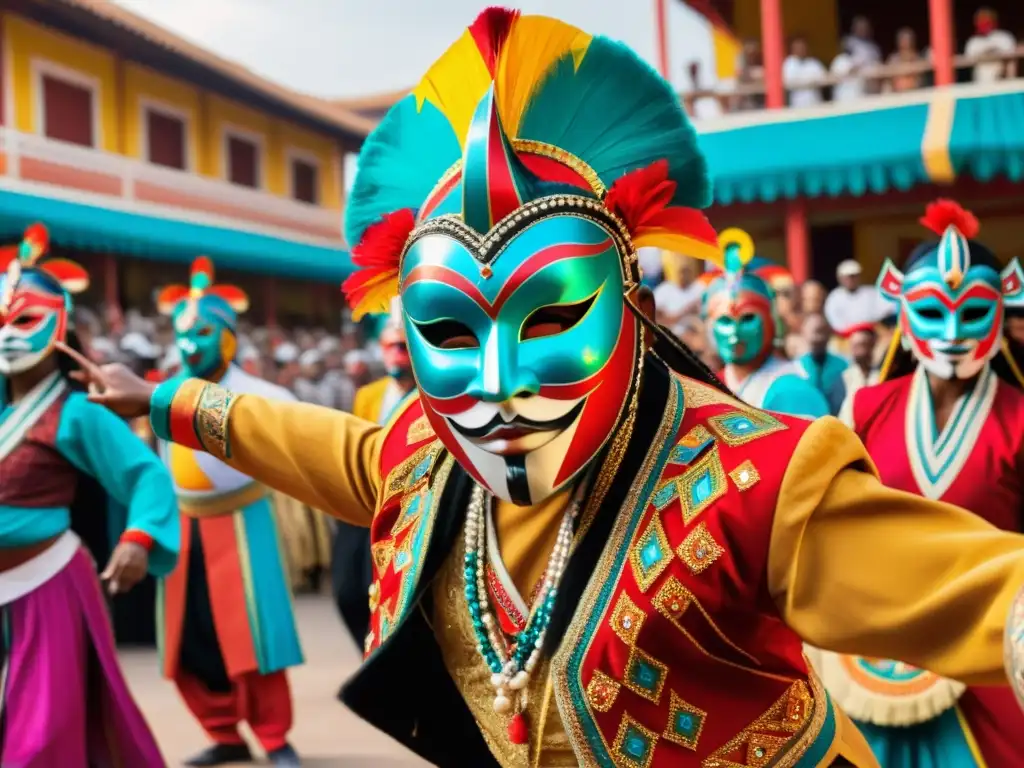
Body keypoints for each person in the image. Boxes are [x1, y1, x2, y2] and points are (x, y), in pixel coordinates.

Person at [63, 10, 1024, 767]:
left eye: (552, 318)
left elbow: (977, 591)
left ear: (632, 305)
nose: (499, 384)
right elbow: (337, 451)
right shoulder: (424, 463)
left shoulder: (752, 484)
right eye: (448, 332)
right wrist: (164, 399)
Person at [813, 200, 1024, 766]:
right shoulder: (864, 408)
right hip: (874, 646)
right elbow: (832, 530)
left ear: (1001, 315)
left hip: (990, 651)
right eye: (933, 312)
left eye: (974, 312)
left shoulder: (1022, 419)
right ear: (903, 319)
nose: (953, 332)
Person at [0, 224, 178, 766]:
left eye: (24, 318)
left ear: (60, 325)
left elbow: (145, 473)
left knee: (41, 737)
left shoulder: (76, 412)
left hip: (47, 582)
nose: (9, 332)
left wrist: (139, 536)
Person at [152, 257, 303, 767]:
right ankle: (224, 733)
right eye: (182, 334)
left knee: (254, 639)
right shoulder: (164, 395)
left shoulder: (265, 397)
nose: (190, 344)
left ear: (230, 336)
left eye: (202, 332)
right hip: (183, 526)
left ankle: (274, 736)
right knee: (190, 640)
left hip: (242, 523)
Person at [332, 299, 416, 648]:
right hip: (366, 502)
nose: (396, 353)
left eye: (403, 345)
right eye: (389, 345)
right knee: (348, 590)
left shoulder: (431, 396)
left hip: (410, 506)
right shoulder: (368, 395)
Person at [703, 228, 831, 418]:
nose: (734, 333)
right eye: (725, 321)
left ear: (770, 323)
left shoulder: (792, 391)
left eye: (747, 319)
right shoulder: (709, 387)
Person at [797, 313, 849, 415]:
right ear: (803, 333)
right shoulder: (797, 368)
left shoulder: (843, 366)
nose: (818, 337)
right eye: (814, 332)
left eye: (822, 331)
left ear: (829, 334)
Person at [824, 259, 891, 335]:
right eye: (847, 277)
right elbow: (836, 324)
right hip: (845, 337)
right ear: (840, 278)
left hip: (872, 333)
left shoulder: (871, 292)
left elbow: (886, 309)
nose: (850, 279)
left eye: (854, 276)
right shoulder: (834, 297)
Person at [653, 250, 704, 334]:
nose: (683, 276)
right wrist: (685, 311)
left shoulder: (699, 288)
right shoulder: (664, 289)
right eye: (681, 272)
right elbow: (657, 318)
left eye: (686, 271)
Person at [831, 322, 879, 406]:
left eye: (862, 345)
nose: (858, 352)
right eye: (855, 346)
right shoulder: (844, 378)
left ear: (872, 344)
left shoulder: (881, 373)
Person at [965, 8, 1017, 83]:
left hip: (1003, 83)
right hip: (981, 84)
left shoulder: (1004, 37)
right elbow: (967, 59)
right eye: (980, 20)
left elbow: (1012, 61)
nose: (983, 23)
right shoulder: (973, 42)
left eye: (986, 20)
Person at [783, 36, 827, 108]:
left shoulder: (814, 62)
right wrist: (809, 81)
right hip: (797, 104)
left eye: (802, 47)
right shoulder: (789, 63)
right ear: (792, 49)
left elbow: (824, 78)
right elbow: (788, 82)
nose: (801, 49)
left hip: (815, 102)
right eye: (798, 47)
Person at [887, 28, 924, 93]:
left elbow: (919, 77)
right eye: (903, 40)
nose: (906, 43)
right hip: (897, 93)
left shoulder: (917, 58)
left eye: (908, 40)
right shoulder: (894, 59)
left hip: (915, 92)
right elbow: (890, 78)